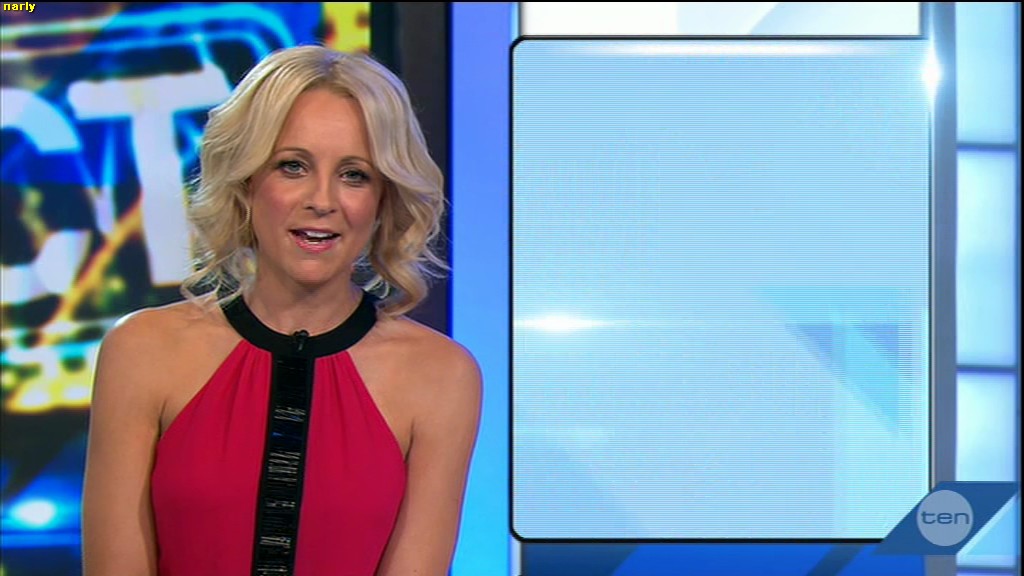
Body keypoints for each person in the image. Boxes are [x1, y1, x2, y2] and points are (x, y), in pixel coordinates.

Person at [81, 45, 481, 576]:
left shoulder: (441, 376)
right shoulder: (143, 351)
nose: (322, 200)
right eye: (292, 166)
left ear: (384, 199)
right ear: (247, 181)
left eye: (355, 174)